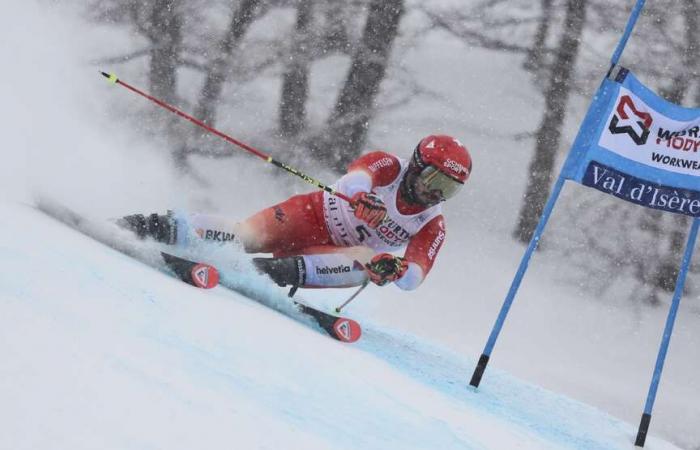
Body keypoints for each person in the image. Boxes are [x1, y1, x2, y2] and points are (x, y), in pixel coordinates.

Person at [119, 135, 472, 293]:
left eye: (449, 188)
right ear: (416, 165)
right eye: (434, 179)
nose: (436, 192)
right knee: (248, 236)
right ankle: (153, 226)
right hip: (310, 215)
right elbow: (353, 182)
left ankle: (259, 274)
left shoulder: (432, 222)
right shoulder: (389, 166)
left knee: (364, 263)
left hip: (333, 256)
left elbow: (413, 279)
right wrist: (364, 198)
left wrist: (393, 269)